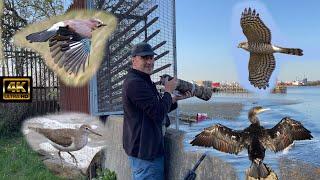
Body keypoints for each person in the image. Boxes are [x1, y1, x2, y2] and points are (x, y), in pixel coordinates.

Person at [122, 42, 192, 179]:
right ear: (133, 59)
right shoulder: (135, 83)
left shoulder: (142, 80)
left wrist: (175, 99)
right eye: (144, 58)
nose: (149, 61)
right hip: (146, 155)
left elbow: (155, 107)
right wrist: (168, 91)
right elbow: (158, 113)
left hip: (146, 152)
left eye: (151, 58)